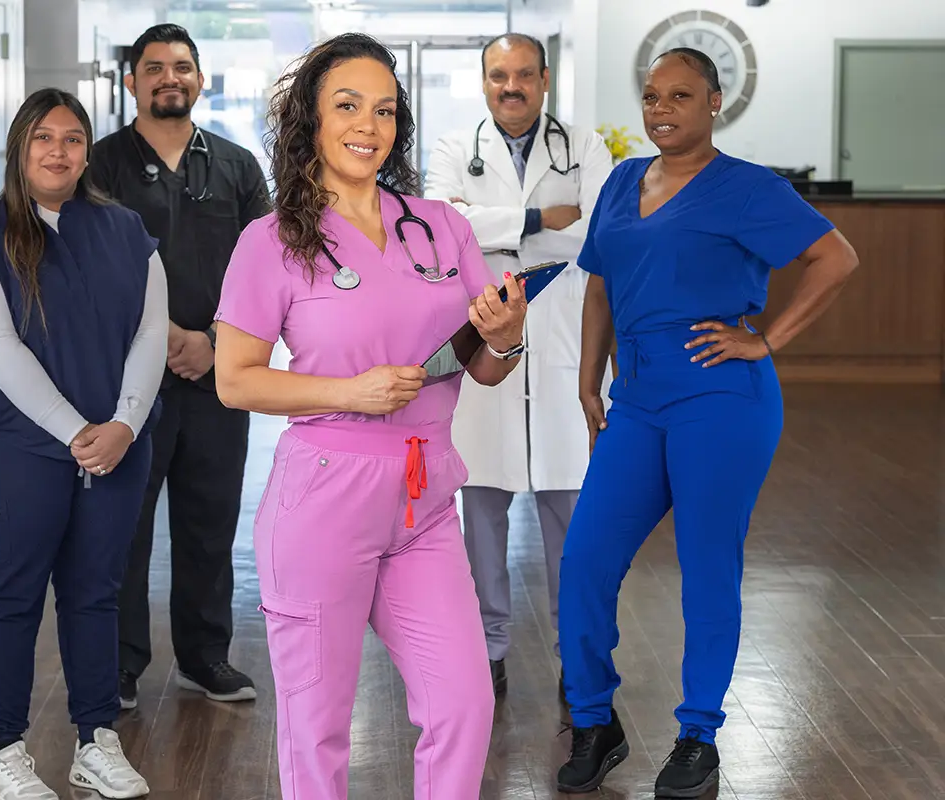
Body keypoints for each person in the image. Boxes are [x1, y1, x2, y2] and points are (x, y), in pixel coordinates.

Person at [212, 33, 526, 799]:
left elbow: (478, 363)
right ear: (309, 122)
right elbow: (234, 381)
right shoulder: (271, 241)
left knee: (464, 702)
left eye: (384, 110)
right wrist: (348, 392)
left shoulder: (439, 227)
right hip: (324, 496)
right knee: (317, 724)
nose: (369, 125)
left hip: (424, 500)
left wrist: (508, 340)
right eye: (347, 105)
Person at [555, 48, 859, 797]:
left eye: (681, 96)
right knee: (585, 563)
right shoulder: (625, 181)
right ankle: (595, 721)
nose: (661, 110)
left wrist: (767, 338)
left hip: (722, 400)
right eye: (652, 96)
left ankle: (699, 738)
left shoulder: (748, 189)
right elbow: (600, 285)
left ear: (715, 103)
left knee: (706, 568)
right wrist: (590, 382)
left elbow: (836, 257)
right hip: (638, 401)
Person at [0, 87, 165, 800]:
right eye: (43, 137)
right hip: (20, 449)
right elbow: (1, 352)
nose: (59, 151)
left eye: (73, 138)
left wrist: (126, 422)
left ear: (87, 150)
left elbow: (150, 333)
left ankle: (96, 739)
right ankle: (1, 753)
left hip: (117, 446)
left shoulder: (128, 230)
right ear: (19, 147)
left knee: (96, 594)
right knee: (10, 596)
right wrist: (78, 432)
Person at [423, 32, 613, 698]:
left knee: (574, 520)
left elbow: (596, 230)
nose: (512, 86)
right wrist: (536, 216)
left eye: (524, 74)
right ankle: (490, 649)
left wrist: (494, 224)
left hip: (563, 348)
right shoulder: (453, 149)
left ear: (544, 80)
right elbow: (444, 224)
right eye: (499, 75)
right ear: (483, 83)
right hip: (488, 351)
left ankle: (576, 655)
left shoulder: (584, 147)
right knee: (481, 514)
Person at [87, 23, 271, 707]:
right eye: (155, 66)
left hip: (218, 378)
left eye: (183, 66)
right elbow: (93, 263)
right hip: (126, 382)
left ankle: (204, 657)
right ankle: (120, 665)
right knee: (122, 527)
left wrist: (213, 345)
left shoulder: (236, 166)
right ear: (132, 80)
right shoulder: (100, 166)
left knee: (209, 520)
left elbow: (266, 269)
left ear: (201, 79)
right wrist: (167, 336)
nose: (170, 77)